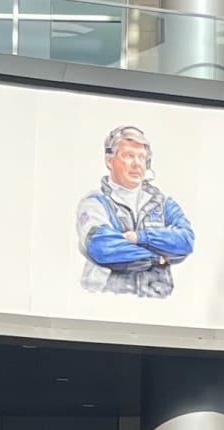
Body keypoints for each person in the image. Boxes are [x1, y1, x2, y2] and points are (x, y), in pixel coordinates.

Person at [77, 125, 195, 300]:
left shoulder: (163, 203)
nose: (137, 163)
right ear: (109, 160)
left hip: (158, 303)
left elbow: (186, 240)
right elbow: (101, 246)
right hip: (106, 302)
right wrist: (156, 258)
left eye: (142, 157)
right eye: (129, 156)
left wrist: (141, 238)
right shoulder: (95, 202)